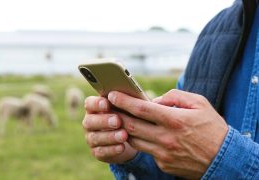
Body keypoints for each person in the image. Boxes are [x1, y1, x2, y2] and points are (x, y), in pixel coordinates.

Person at [82, 0, 259, 179]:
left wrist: (227, 161)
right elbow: (183, 167)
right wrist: (138, 152)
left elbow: (214, 158)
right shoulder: (214, 31)